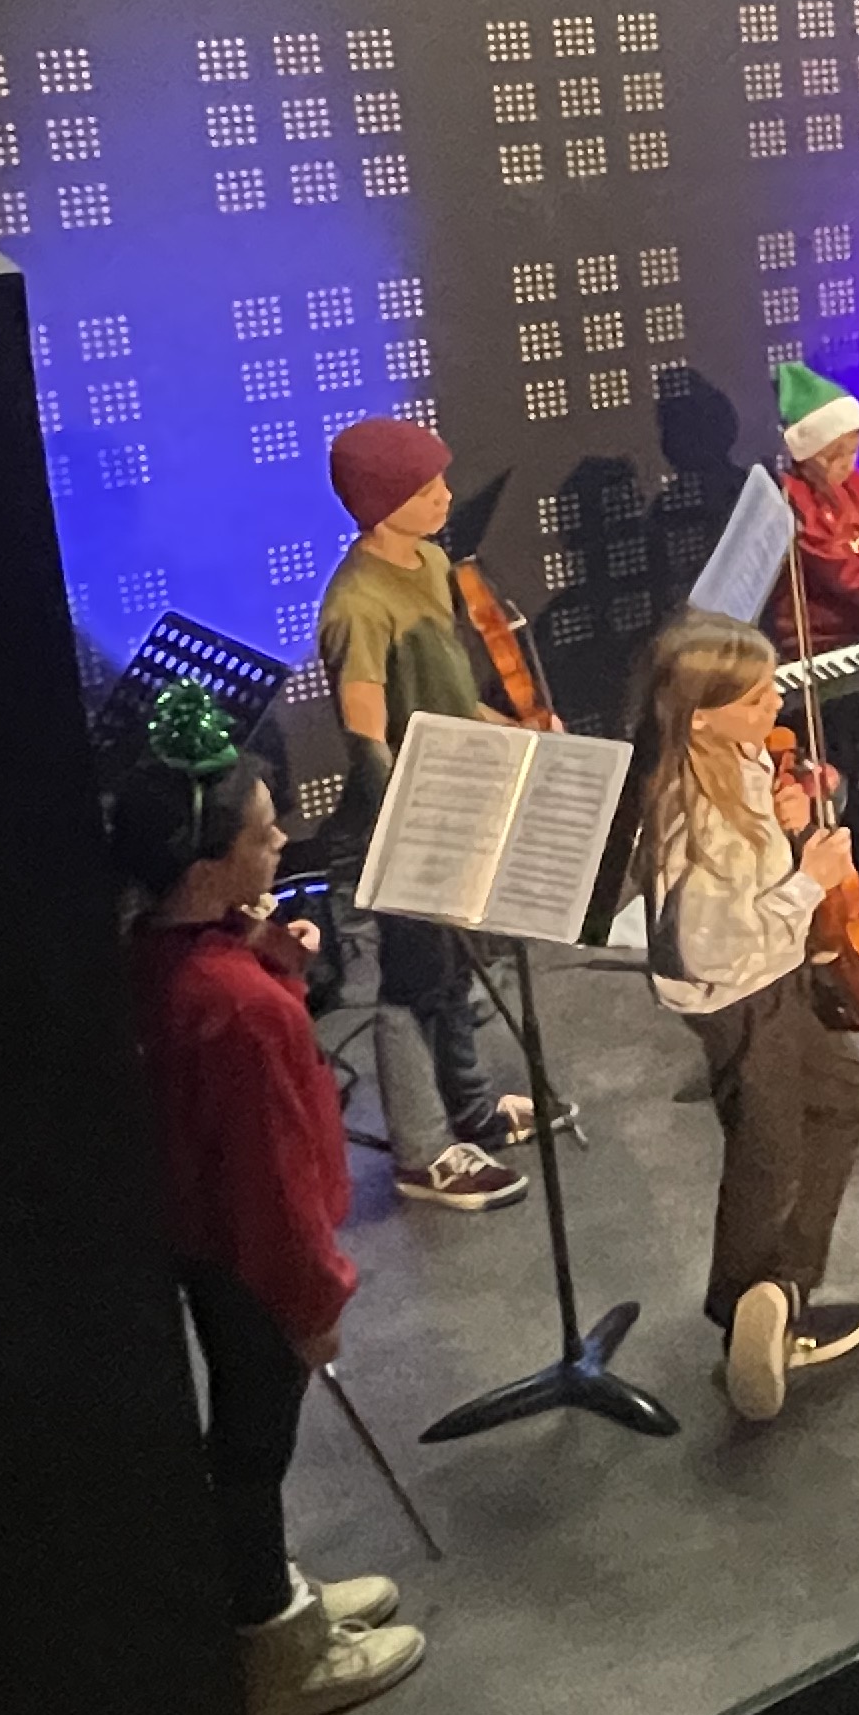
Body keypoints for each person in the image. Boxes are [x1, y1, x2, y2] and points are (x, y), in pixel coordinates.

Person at [111, 688, 428, 1715]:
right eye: (261, 832)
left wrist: (273, 954)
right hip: (253, 1267)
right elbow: (273, 1185)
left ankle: (267, 1597)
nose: (282, 837)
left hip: (202, 1245)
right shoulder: (236, 1009)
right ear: (209, 867)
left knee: (246, 1447)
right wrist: (317, 1300)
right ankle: (276, 1647)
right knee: (254, 1450)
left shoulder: (163, 954)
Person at [627, 611, 859, 1423]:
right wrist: (809, 881)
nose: (776, 703)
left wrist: (790, 817)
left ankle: (781, 1291)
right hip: (741, 997)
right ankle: (747, 1310)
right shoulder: (695, 818)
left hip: (775, 978)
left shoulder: (739, 759)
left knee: (840, 1098)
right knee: (766, 1155)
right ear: (701, 716)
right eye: (755, 697)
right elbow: (709, 944)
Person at [313, 415, 533, 1211]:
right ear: (381, 503)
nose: (445, 495)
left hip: (454, 796)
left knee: (452, 968)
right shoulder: (358, 605)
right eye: (425, 486)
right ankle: (422, 1151)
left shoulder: (433, 562)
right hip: (406, 818)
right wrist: (406, 831)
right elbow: (367, 733)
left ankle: (469, 1109)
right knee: (410, 982)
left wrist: (515, 734)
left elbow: (449, 695)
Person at [772, 358, 859, 652]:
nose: (846, 463)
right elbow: (845, 577)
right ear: (805, 454)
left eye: (853, 451)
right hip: (825, 638)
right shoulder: (796, 501)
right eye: (833, 456)